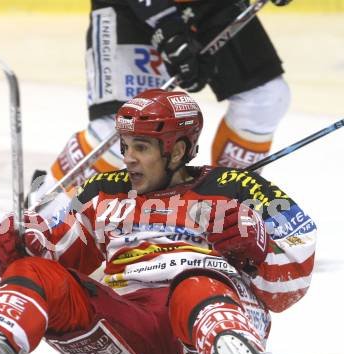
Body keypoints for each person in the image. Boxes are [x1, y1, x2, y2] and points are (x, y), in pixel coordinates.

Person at [0, 89, 315, 354]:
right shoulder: (104, 191)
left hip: (199, 343)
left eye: (141, 147)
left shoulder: (239, 189)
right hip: (127, 342)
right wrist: (26, 245)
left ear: (177, 151)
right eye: (125, 145)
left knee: (195, 285)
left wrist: (255, 247)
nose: (128, 158)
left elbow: (291, 284)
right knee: (34, 270)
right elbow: (62, 258)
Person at [33, 0, 293, 215]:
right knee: (120, 128)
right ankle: (48, 215)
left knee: (267, 99)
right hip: (132, 8)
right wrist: (166, 26)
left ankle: (223, 212)